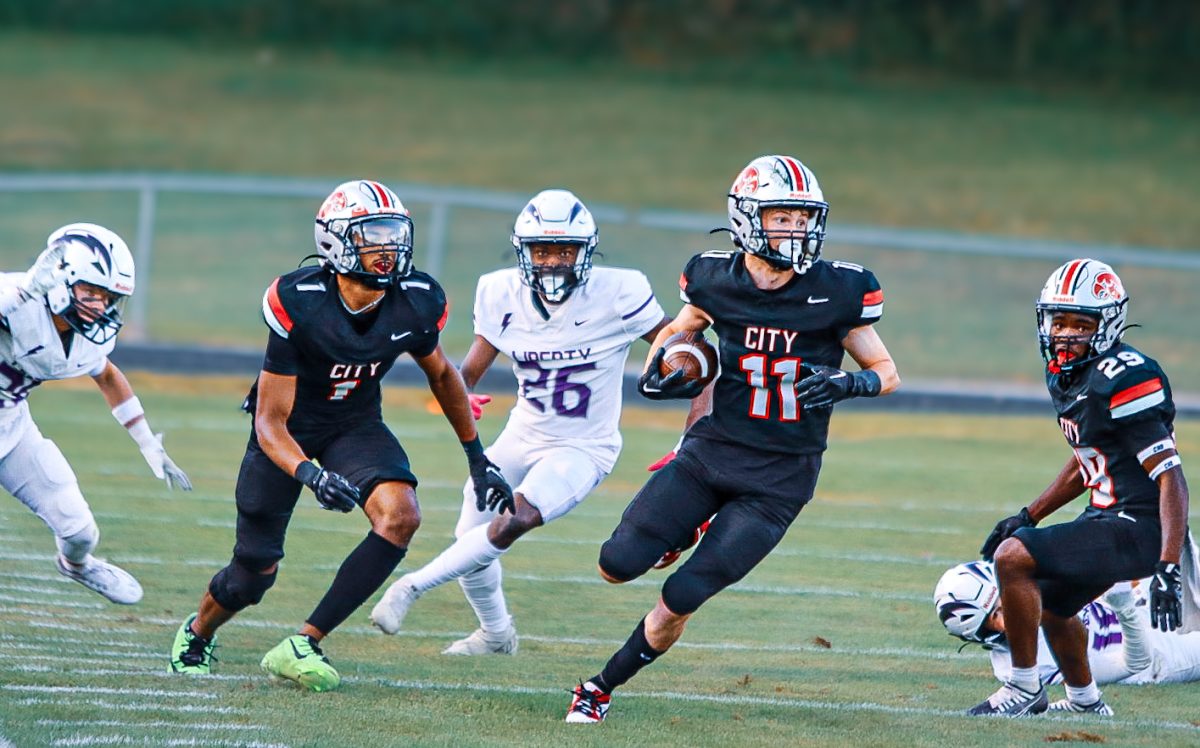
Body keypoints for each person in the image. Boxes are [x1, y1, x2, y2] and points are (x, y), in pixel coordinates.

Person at [564, 155, 901, 723]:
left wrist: (853, 381)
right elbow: (681, 329)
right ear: (746, 218)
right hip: (709, 453)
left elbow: (888, 372)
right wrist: (663, 364)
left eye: (803, 217)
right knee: (615, 564)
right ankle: (690, 524)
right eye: (782, 217)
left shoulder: (838, 290)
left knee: (683, 595)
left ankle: (599, 688)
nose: (795, 229)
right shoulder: (713, 277)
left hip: (781, 478)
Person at [167, 179, 512, 692]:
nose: (387, 248)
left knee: (402, 516)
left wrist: (477, 458)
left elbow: (442, 374)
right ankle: (197, 633)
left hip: (355, 424)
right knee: (252, 575)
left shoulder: (416, 300)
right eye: (373, 235)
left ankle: (303, 643)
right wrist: (311, 474)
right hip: (289, 431)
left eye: (394, 234)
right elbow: (269, 421)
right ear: (335, 240)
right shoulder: (298, 300)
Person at [369, 188, 671, 654]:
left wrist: (685, 386)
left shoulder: (620, 291)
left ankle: (411, 586)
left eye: (564, 249)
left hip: (583, 445)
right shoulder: (499, 290)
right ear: (523, 251)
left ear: (586, 251)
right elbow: (466, 370)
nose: (552, 261)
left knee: (517, 517)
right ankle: (495, 634)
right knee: (469, 536)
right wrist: (462, 393)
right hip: (523, 433)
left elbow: (679, 346)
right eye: (542, 250)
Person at [970, 259, 1190, 717]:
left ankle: (1025, 688)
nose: (1066, 333)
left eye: (1081, 324)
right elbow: (1086, 461)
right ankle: (1087, 702)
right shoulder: (1068, 373)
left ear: (1106, 325)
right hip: (1106, 515)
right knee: (1050, 603)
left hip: (1138, 525)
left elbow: (1171, 475)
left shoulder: (1127, 377)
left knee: (1013, 557)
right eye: (1060, 321)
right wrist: (1029, 514)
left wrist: (1168, 564)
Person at [0, 222, 191, 605]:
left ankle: (78, 566)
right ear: (58, 280)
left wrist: (147, 443)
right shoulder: (14, 293)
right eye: (90, 291)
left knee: (80, 531)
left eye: (106, 297)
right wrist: (20, 297)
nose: (98, 306)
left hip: (10, 428)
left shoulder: (84, 334)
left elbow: (106, 375)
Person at [936, 561, 1200, 694]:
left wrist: (1130, 581)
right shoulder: (1026, 667)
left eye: (1005, 593)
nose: (1013, 604)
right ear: (984, 633)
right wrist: (1125, 607)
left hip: (1141, 605)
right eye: (997, 611)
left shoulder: (1031, 586)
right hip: (1159, 652)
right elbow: (1135, 663)